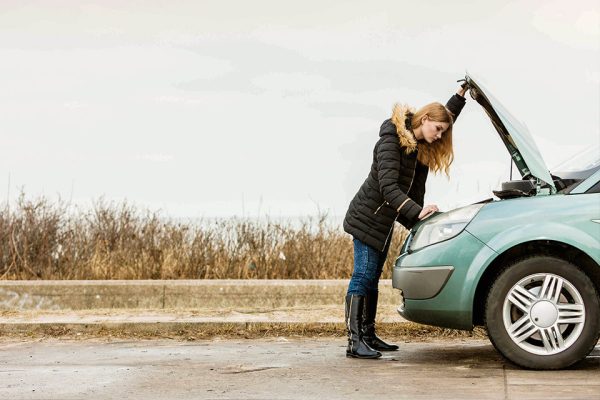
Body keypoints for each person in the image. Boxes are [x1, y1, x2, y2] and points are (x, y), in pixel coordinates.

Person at [342, 82, 469, 358]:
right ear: (424, 120)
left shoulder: (420, 140)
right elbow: (388, 188)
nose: (439, 137)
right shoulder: (390, 141)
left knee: (372, 277)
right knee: (362, 276)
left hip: (384, 221)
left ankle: (368, 335)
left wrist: (459, 97)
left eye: (443, 132)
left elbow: (444, 116)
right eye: (437, 130)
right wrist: (416, 211)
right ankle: (354, 342)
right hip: (367, 218)